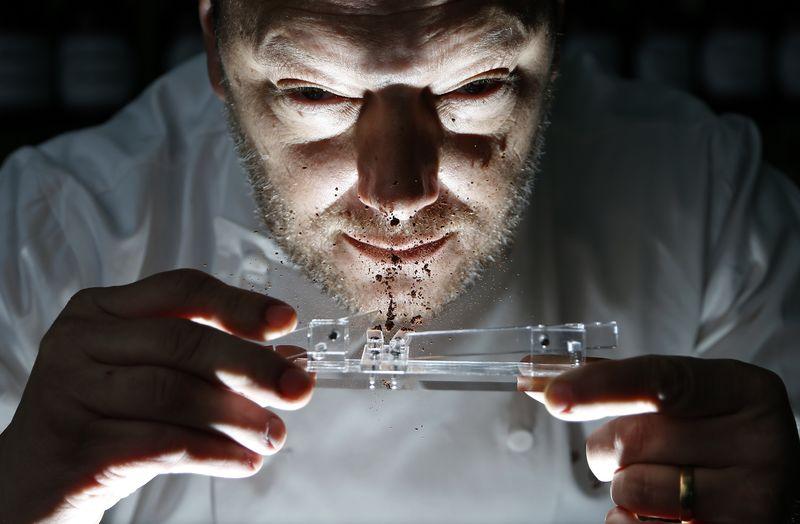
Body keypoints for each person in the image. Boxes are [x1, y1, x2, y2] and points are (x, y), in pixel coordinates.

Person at [0, 0, 798, 521]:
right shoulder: (52, 234)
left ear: (554, 40)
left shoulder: (709, 206)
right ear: (216, 52)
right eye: (313, 94)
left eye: (477, 84)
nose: (398, 191)